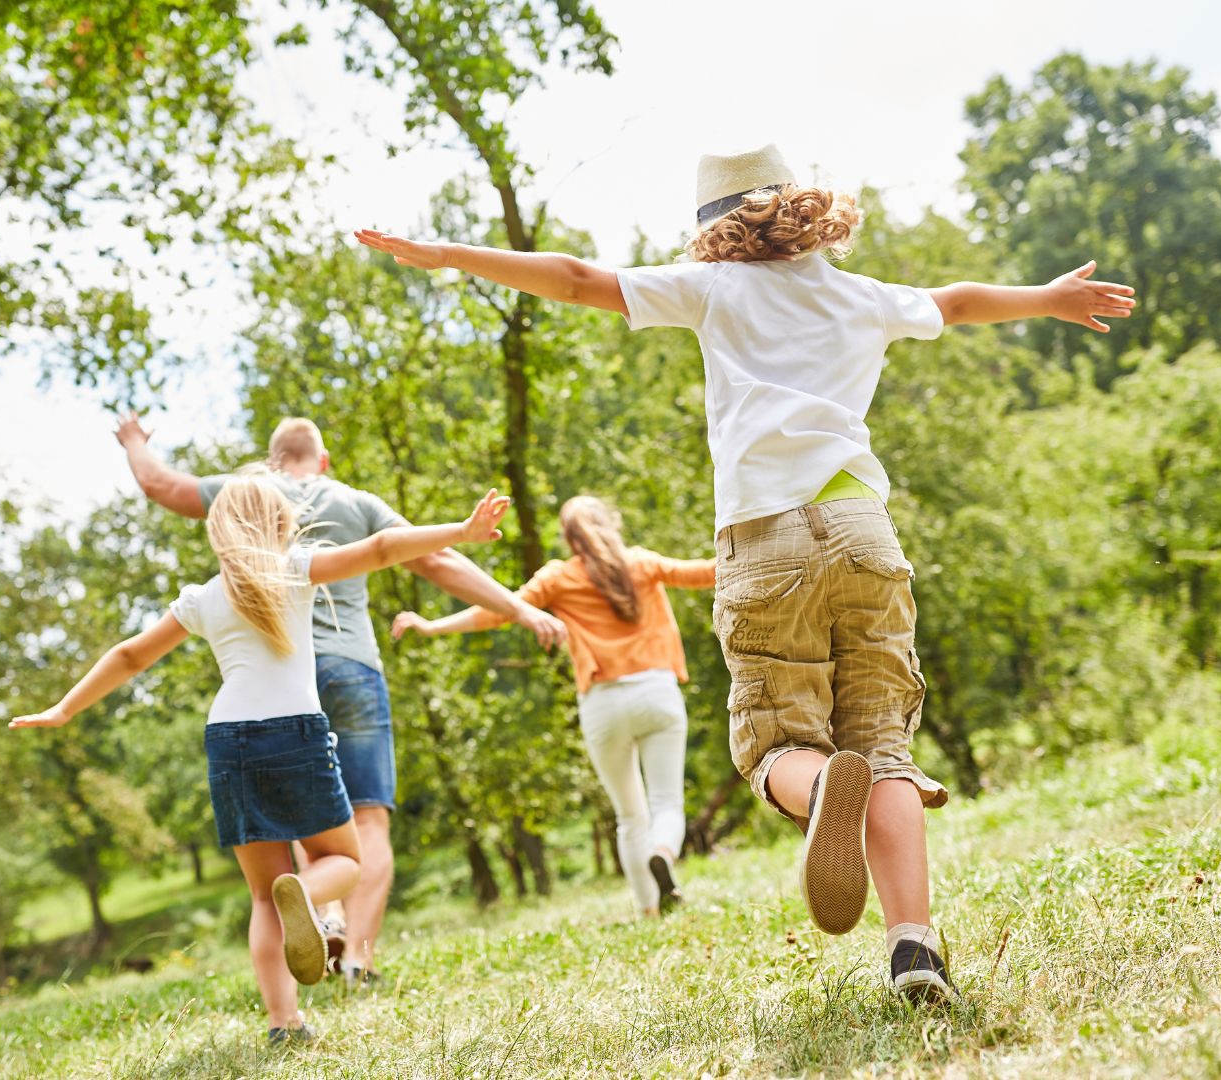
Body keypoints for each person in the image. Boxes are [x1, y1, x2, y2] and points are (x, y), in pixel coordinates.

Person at [353, 143, 1136, 1003]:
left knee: (774, 742)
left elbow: (576, 279)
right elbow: (954, 301)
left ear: (714, 229)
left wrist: (449, 254)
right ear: (799, 207)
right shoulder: (859, 294)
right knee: (883, 747)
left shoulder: (714, 289)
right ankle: (914, 950)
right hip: (863, 531)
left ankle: (819, 787)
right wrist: (1049, 297)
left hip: (765, 539)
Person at [10, 476, 514, 1041]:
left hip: (228, 740)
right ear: (280, 524)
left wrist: (64, 708)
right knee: (344, 861)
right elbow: (379, 549)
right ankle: (307, 893)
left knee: (261, 895)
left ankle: (283, 1022)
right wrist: (461, 531)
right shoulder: (295, 569)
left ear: (218, 531)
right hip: (295, 732)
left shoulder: (202, 597)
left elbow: (130, 656)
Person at [114, 413, 565, 986]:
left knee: (310, 818)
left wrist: (134, 441)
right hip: (352, 669)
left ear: (273, 460)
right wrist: (519, 608)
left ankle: (323, 916)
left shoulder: (244, 493)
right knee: (366, 820)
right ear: (323, 460)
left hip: (277, 683)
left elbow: (160, 485)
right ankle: (358, 959)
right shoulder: (355, 501)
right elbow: (432, 559)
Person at [390, 495, 717, 916]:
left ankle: (648, 910)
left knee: (629, 815)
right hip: (657, 692)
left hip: (603, 704)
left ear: (568, 538)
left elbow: (500, 610)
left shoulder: (559, 577)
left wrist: (433, 626)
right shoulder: (642, 563)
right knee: (666, 803)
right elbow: (708, 572)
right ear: (610, 524)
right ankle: (663, 853)